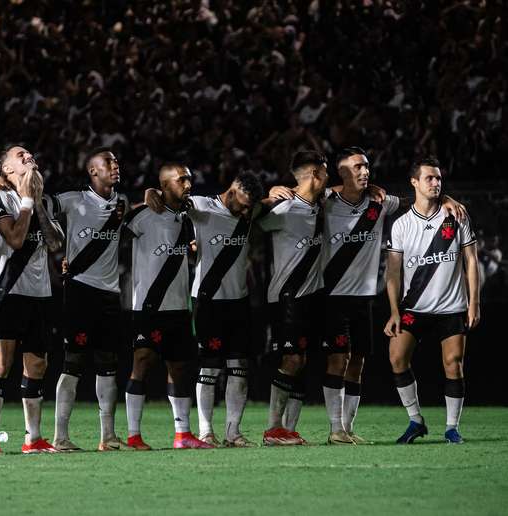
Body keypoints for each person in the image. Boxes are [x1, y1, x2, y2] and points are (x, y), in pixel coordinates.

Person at [269, 147, 467, 444]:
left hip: (365, 297)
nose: (365, 172)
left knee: (358, 362)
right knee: (337, 360)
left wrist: (446, 199)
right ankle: (334, 429)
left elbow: (417, 201)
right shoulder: (326, 202)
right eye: (357, 167)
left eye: (366, 167)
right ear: (342, 173)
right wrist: (275, 190)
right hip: (332, 296)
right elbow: (299, 196)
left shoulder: (380, 203)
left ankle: (347, 429)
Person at [145, 171, 265, 447]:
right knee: (209, 367)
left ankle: (233, 432)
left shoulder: (251, 210)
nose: (247, 211)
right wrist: (151, 193)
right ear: (232, 191)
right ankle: (206, 431)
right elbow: (168, 200)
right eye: (244, 204)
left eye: (251, 207)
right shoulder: (200, 205)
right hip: (207, 300)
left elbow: (269, 204)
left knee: (239, 367)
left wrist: (283, 189)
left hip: (239, 300)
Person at [385, 157, 479, 444]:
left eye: (438, 178)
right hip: (415, 307)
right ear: (414, 182)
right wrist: (393, 311)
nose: (436, 183)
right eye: (429, 178)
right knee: (397, 357)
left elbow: (471, 261)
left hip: (451, 307)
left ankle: (452, 427)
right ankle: (416, 421)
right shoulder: (400, 225)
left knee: (453, 363)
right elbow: (392, 272)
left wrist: (474, 303)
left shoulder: (456, 216)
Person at [122, 164, 212, 450]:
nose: (188, 183)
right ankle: (134, 435)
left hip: (179, 307)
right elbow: (113, 229)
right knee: (142, 362)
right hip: (148, 306)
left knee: (180, 367)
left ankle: (183, 435)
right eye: (181, 179)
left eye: (189, 177)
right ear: (164, 185)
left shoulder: (188, 219)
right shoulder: (143, 215)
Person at [0, 144, 64, 454]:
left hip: (40, 293)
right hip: (7, 291)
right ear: (6, 170)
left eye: (30, 153)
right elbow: (15, 240)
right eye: (20, 155)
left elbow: (56, 243)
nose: (28, 156)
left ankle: (33, 438)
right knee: (1, 363)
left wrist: (38, 202)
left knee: (38, 365)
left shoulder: (45, 202)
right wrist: (28, 200)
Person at [51, 148, 130, 452]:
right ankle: (60, 436)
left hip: (110, 295)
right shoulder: (73, 200)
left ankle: (107, 436)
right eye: (108, 162)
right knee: (72, 363)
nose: (115, 165)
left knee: (108, 364)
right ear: (93, 171)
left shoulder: (121, 202)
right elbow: (42, 209)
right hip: (80, 291)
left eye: (115, 160)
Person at [256, 150, 328, 446]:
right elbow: (251, 217)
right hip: (288, 296)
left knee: (303, 361)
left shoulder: (321, 205)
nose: (329, 178)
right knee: (292, 358)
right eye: (325, 172)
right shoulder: (284, 209)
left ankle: (289, 429)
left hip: (311, 295)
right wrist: (268, 196)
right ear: (315, 175)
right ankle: (273, 429)